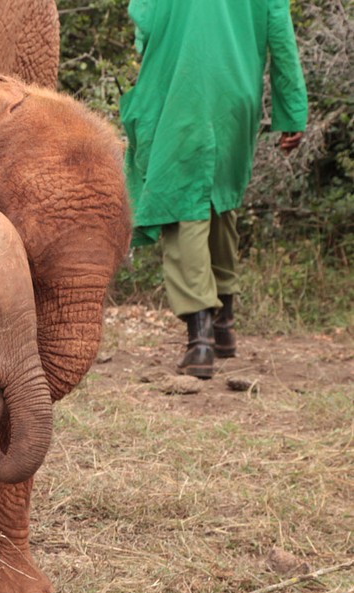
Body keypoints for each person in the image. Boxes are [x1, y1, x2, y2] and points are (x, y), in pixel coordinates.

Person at [121, 0, 308, 379]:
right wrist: (293, 110)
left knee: (181, 202)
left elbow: (145, 21)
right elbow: (281, 38)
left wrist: (153, 49)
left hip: (181, 87)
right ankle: (225, 327)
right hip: (236, 97)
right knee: (220, 200)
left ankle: (200, 339)